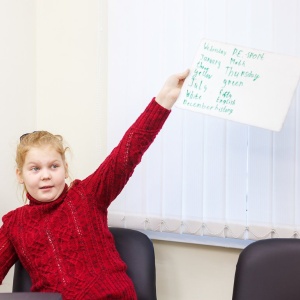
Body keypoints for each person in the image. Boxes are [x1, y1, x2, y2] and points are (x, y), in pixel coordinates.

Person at [0, 69, 189, 300]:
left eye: (54, 166)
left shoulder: (87, 195)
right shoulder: (14, 225)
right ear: (20, 175)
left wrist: (165, 99)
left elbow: (126, 154)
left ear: (65, 169)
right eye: (35, 169)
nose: (45, 176)